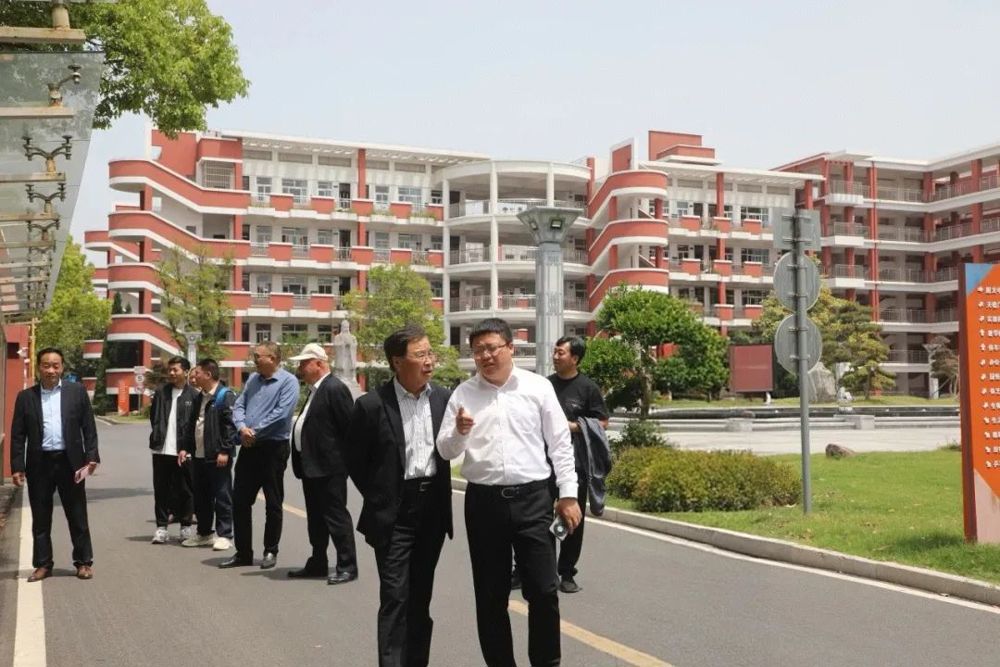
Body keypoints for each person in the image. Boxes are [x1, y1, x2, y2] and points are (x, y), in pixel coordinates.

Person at [437, 318, 581, 667]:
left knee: (544, 590)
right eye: (478, 351)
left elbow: (560, 444)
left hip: (533, 501)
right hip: (484, 504)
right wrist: (459, 432)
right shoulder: (463, 394)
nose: (485, 356)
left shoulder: (537, 388)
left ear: (510, 348)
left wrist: (568, 494)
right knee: (490, 596)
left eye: (492, 348)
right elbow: (445, 450)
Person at [347, 326, 453, 667]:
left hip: (432, 511)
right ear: (397, 361)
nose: (429, 361)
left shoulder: (443, 399)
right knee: (395, 596)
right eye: (420, 355)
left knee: (420, 598)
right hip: (394, 514)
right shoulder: (371, 405)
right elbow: (356, 461)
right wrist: (382, 497)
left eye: (430, 353)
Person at [11, 347, 100, 581]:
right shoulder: (26, 397)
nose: (51, 370)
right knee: (41, 517)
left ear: (62, 368)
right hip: (39, 463)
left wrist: (92, 456)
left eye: (55, 365)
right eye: (46, 365)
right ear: (38, 367)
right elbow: (18, 434)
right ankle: (43, 564)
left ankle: (83, 562)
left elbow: (89, 427)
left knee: (77, 514)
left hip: (71, 463)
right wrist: (17, 466)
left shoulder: (76, 392)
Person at [286, 343, 358, 585]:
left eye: (304, 363)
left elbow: (350, 429)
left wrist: (343, 463)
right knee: (316, 519)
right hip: (312, 467)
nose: (300, 368)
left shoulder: (334, 388)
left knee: (336, 517)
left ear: (319, 363)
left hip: (329, 468)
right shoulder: (316, 390)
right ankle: (317, 561)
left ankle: (347, 565)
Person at [222, 341, 298, 569]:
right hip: (249, 446)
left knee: (273, 502)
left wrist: (253, 431)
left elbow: (281, 413)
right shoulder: (253, 380)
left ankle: (270, 551)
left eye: (258, 356)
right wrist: (242, 428)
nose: (254, 360)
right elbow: (239, 405)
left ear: (273, 358)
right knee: (240, 501)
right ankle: (243, 553)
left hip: (273, 448)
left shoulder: (289, 381)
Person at [548, 336, 609, 593]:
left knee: (570, 518)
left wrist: (572, 427)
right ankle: (535, 568)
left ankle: (566, 572)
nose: (555, 356)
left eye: (560, 353)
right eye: (555, 351)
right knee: (538, 517)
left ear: (575, 358)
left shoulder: (588, 388)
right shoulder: (545, 385)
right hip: (543, 463)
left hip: (576, 464)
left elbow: (602, 421)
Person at [178, 358, 236, 551]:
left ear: (208, 375)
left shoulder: (224, 396)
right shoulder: (199, 397)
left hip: (217, 455)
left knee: (222, 496)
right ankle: (204, 533)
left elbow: (230, 426)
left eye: (197, 373)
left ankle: (225, 534)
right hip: (198, 455)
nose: (194, 377)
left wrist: (225, 450)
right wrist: (185, 448)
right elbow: (191, 425)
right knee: (201, 497)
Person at [148, 356, 197, 544]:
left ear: (186, 371)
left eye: (175, 370)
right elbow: (154, 417)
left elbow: (194, 424)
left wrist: (188, 446)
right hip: (161, 450)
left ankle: (186, 527)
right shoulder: (161, 392)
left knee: (186, 490)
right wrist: (158, 435)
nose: (171, 373)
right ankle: (161, 528)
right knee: (161, 490)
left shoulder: (193, 395)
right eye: (170, 370)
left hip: (184, 451)